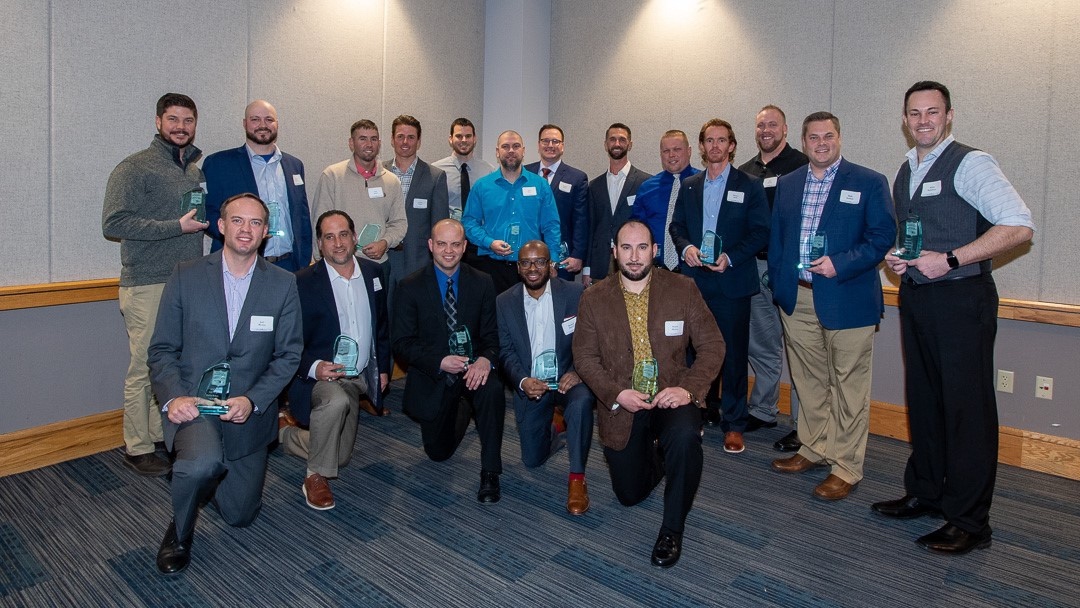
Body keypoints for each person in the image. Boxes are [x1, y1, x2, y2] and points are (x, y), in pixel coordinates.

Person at [872, 81, 1034, 554]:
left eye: (932, 112)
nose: (923, 120)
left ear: (949, 116)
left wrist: (954, 259)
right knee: (925, 401)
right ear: (905, 120)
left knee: (967, 411)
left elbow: (1019, 226)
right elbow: (920, 236)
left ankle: (969, 520)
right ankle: (926, 491)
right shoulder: (906, 169)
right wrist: (899, 258)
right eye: (914, 113)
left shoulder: (972, 163)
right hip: (920, 298)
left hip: (963, 300)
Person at [147, 193, 302, 574]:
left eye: (254, 223)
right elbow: (162, 349)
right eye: (237, 220)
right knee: (201, 463)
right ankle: (180, 528)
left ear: (265, 232)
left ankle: (199, 479)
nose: (245, 229)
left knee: (240, 516)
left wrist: (254, 399)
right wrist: (174, 397)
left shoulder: (282, 284)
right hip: (196, 403)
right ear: (221, 225)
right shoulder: (186, 273)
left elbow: (289, 355)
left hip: (245, 412)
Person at [573, 220, 725, 568]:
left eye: (642, 247)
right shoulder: (594, 298)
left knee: (686, 437)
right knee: (629, 495)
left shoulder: (682, 288)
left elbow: (713, 345)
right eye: (626, 248)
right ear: (614, 252)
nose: (634, 256)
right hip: (622, 402)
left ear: (655, 251)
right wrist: (616, 394)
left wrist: (688, 389)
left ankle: (672, 528)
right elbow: (583, 357)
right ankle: (660, 456)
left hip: (671, 393)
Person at [768, 112, 896, 501]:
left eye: (828, 136)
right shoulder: (788, 184)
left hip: (848, 297)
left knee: (849, 385)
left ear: (839, 138)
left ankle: (846, 465)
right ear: (803, 142)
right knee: (807, 381)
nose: (821, 143)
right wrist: (780, 283)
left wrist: (840, 262)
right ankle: (814, 447)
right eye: (813, 137)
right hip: (799, 297)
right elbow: (778, 237)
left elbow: (882, 237)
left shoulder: (869, 182)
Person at [102, 92, 209, 477]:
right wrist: (175, 227)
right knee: (142, 365)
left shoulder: (195, 172)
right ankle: (137, 446)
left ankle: (158, 435)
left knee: (169, 364)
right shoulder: (135, 168)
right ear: (158, 122)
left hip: (186, 282)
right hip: (146, 282)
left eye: (188, 121)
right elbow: (113, 223)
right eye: (173, 119)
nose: (181, 127)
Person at [280, 210, 392, 511]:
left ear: (355, 237)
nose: (338, 243)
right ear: (320, 244)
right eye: (329, 237)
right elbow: (286, 342)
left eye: (343, 234)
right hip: (322, 378)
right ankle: (314, 476)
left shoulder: (373, 273)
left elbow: (381, 324)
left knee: (340, 457)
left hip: (360, 374)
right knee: (336, 403)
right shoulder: (301, 282)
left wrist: (382, 367)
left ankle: (284, 434)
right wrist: (315, 368)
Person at [670, 119, 770, 454]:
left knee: (733, 355)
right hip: (695, 283)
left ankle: (734, 423)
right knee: (691, 353)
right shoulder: (690, 186)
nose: (715, 146)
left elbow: (760, 232)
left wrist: (730, 257)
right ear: (701, 146)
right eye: (709, 140)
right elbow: (677, 226)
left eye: (721, 140)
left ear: (731, 146)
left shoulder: (750, 185)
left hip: (732, 282)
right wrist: (686, 248)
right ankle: (694, 415)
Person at [392, 219, 506, 503]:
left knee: (491, 391)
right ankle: (463, 408)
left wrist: (485, 361)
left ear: (465, 247)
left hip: (473, 371)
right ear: (431, 246)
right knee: (437, 453)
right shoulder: (409, 287)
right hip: (436, 374)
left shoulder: (482, 282)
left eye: (456, 244)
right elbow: (402, 343)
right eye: (441, 244)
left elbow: (493, 337)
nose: (448, 251)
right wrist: (440, 361)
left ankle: (490, 472)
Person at [496, 241, 595, 514]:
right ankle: (557, 428)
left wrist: (577, 371)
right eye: (526, 262)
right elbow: (505, 351)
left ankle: (577, 479)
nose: (532, 268)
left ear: (550, 265)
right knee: (532, 459)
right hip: (533, 384)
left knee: (582, 403)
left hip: (569, 378)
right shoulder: (505, 301)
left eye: (539, 261)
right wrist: (521, 381)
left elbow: (592, 341)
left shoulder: (576, 293)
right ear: (518, 268)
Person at [738, 105, 810, 451]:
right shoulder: (746, 171)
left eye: (772, 125)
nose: (766, 130)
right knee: (762, 344)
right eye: (761, 125)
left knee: (800, 347)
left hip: (791, 269)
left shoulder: (802, 166)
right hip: (755, 267)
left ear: (785, 128)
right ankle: (764, 409)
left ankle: (803, 424)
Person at [202, 100, 312, 271]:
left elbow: (302, 217)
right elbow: (208, 213)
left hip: (289, 266)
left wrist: (304, 261)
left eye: (269, 120)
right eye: (255, 119)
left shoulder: (294, 165)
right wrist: (240, 241)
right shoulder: (218, 164)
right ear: (245, 124)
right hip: (238, 265)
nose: (263, 125)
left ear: (277, 124)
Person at [461, 130, 562, 294]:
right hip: (491, 267)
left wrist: (553, 260)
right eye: (505, 146)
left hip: (531, 268)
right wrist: (489, 242)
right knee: (494, 317)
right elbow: (469, 223)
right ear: (497, 152)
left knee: (530, 317)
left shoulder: (540, 185)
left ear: (523, 151)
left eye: (516, 146)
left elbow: (551, 226)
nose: (511, 151)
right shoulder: (482, 186)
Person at [311, 119, 407, 283]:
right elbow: (319, 225)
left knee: (377, 309)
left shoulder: (392, 181)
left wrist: (385, 242)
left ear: (379, 143)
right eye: (362, 138)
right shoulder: (332, 176)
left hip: (378, 265)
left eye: (373, 139)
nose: (369, 144)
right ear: (351, 143)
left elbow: (399, 223)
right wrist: (319, 262)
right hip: (339, 264)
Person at [383, 115, 449, 307]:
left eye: (411, 137)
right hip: (383, 258)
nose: (405, 142)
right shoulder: (379, 173)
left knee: (414, 318)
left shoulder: (435, 177)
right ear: (392, 139)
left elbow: (440, 226)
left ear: (418, 142)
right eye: (400, 136)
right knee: (383, 317)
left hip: (418, 260)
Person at [584, 123, 651, 285]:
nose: (617, 144)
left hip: (632, 261)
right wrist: (587, 269)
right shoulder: (594, 186)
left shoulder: (646, 183)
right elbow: (590, 228)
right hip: (600, 264)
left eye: (622, 139)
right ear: (606, 144)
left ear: (630, 144)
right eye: (612, 139)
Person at [525, 124, 590, 280]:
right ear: (538, 145)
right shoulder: (524, 174)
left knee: (559, 300)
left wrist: (577, 255)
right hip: (528, 253)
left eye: (555, 141)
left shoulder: (577, 178)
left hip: (562, 256)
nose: (550, 145)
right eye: (545, 141)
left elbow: (581, 219)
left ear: (563, 146)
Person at [631, 130, 701, 270]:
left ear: (689, 151)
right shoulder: (647, 188)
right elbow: (637, 229)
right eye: (666, 151)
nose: (671, 155)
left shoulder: (704, 184)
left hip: (695, 269)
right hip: (656, 270)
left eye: (677, 149)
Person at [431, 117, 496, 219]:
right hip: (449, 232)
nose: (464, 140)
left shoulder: (488, 171)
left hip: (478, 231)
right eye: (459, 136)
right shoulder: (436, 171)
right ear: (450, 139)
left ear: (474, 139)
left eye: (468, 136)